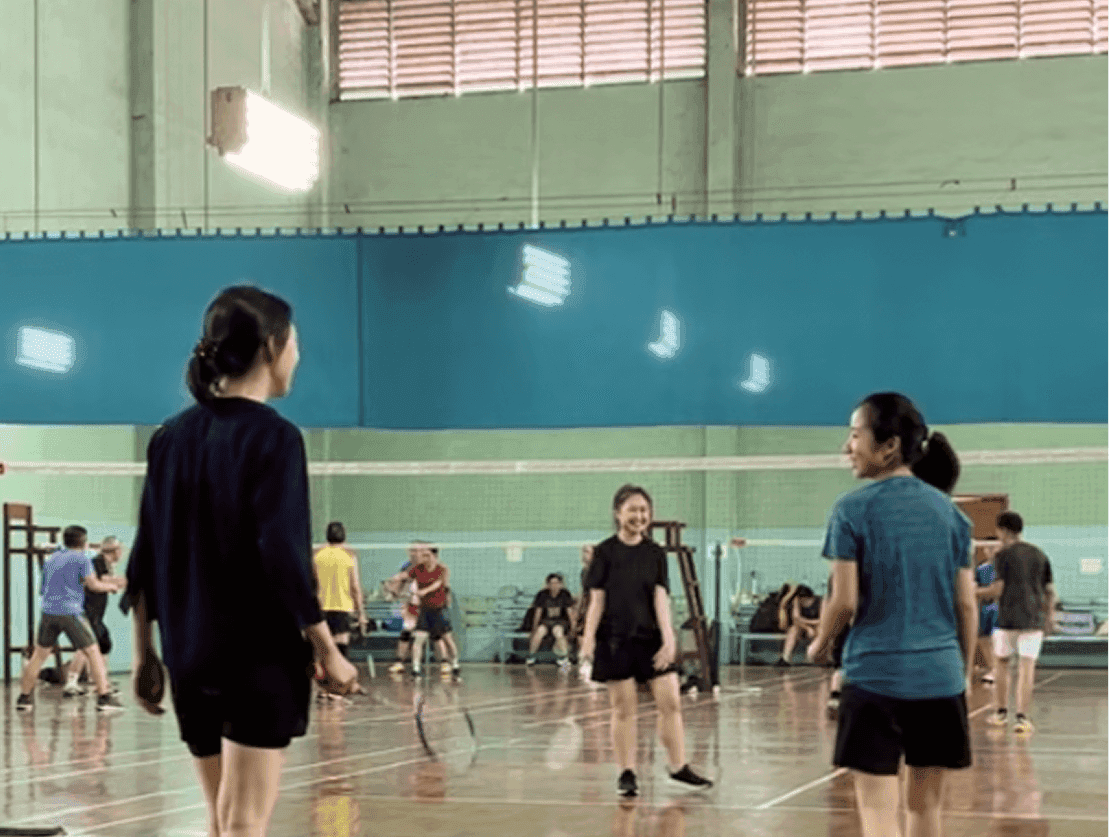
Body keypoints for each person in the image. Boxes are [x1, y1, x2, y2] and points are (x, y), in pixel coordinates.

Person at [124, 286, 358, 837]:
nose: (298, 355)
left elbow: (145, 557)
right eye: (295, 342)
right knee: (244, 824)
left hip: (190, 655)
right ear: (273, 347)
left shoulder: (169, 439)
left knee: (222, 821)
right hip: (257, 658)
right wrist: (329, 651)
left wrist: (143, 656)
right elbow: (281, 555)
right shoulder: (275, 438)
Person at [807, 392, 977, 837]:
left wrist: (820, 645)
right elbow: (966, 605)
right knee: (926, 811)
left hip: (876, 679)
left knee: (879, 816)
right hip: (940, 679)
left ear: (889, 446)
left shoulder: (850, 510)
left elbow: (843, 602)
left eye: (855, 434)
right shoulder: (954, 517)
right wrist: (961, 670)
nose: (847, 446)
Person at [580, 484, 713, 798]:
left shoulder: (655, 553)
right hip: (615, 641)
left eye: (644, 510)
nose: (639, 516)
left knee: (671, 703)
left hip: (650, 639)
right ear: (618, 513)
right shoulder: (604, 552)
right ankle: (626, 773)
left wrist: (669, 640)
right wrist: (587, 640)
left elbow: (660, 597)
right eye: (632, 510)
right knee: (624, 710)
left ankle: (678, 766)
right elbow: (596, 600)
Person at [16, 525, 125, 713]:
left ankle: (24, 699)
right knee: (93, 652)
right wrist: (111, 587)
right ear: (83, 541)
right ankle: (104, 698)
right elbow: (93, 585)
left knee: (39, 655)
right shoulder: (82, 559)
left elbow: (43, 589)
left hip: (48, 612)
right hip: (71, 612)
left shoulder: (51, 560)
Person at [981, 511, 1056, 735]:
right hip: (1034, 619)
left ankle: (1001, 713)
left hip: (1007, 619)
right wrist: (1049, 617)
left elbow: (997, 590)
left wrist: (969, 592)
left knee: (1001, 665)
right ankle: (1023, 719)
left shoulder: (1002, 555)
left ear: (1002, 530)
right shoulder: (1039, 554)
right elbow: (1050, 592)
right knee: (1026, 668)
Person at [63, 535, 127, 696]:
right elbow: (105, 580)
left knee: (101, 644)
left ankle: (96, 681)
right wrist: (127, 581)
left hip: (95, 613)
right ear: (115, 550)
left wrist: (116, 585)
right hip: (88, 612)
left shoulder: (102, 563)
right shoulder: (99, 562)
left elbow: (107, 581)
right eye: (120, 549)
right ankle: (76, 683)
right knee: (88, 646)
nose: (121, 553)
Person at [312, 521, 367, 693]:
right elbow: (355, 587)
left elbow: (311, 583)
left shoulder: (317, 556)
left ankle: (325, 690)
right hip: (342, 607)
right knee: (340, 650)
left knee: (323, 650)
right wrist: (361, 614)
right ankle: (338, 689)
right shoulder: (349, 556)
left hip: (320, 608)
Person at [407, 544, 460, 679]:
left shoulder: (442, 569)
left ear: (434, 555)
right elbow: (406, 576)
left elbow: (439, 583)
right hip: (425, 610)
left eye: (427, 555)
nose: (424, 557)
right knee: (418, 639)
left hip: (439, 609)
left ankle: (455, 664)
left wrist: (424, 591)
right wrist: (395, 580)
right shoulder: (418, 569)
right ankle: (416, 669)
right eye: (423, 555)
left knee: (447, 639)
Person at [526, 573, 576, 668]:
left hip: (560, 621)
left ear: (561, 584)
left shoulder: (565, 594)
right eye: (552, 583)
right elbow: (538, 613)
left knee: (558, 632)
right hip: (546, 621)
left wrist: (573, 627)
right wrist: (534, 628)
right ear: (548, 584)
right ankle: (531, 657)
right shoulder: (542, 594)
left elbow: (570, 613)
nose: (554, 586)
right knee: (539, 632)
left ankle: (564, 658)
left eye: (557, 583)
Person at [775, 585, 820, 667]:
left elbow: (822, 621)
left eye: (806, 601)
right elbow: (796, 618)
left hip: (817, 626)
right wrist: (808, 627)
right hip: (803, 627)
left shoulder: (820, 601)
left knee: (821, 630)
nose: (803, 603)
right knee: (793, 629)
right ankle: (785, 658)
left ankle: (820, 658)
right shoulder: (797, 601)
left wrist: (810, 623)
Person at [973, 542, 999, 685]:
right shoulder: (981, 569)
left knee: (996, 639)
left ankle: (999, 670)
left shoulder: (1004, 567)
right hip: (984, 607)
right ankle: (992, 668)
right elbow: (976, 586)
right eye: (989, 548)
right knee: (983, 638)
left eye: (994, 547)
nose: (992, 551)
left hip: (1000, 607)